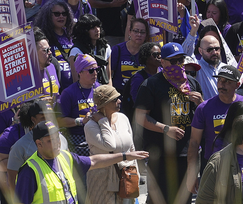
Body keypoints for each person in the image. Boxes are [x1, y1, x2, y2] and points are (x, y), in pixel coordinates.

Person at [14, 121, 149, 204]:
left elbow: (95, 161)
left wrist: (125, 156)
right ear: (39, 143)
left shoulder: (65, 157)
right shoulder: (29, 171)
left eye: (57, 138)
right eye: (50, 140)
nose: (57, 143)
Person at [134, 42, 203, 204]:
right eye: (174, 61)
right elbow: (139, 117)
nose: (178, 65)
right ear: (162, 62)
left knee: (184, 199)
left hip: (188, 155)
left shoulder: (192, 83)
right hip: (162, 156)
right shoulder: (151, 84)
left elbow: (201, 117)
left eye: (181, 60)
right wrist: (165, 129)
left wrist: (201, 103)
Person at [187, 65, 243, 192]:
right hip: (214, 166)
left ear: (237, 85)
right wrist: (191, 174)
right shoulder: (204, 108)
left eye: (227, 82)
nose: (222, 84)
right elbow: (194, 142)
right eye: (220, 80)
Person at [84, 84, 140, 204]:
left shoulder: (123, 118)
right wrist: (103, 121)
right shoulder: (91, 126)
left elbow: (131, 148)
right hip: (102, 180)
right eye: (115, 99)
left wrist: (136, 174)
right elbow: (110, 145)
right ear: (104, 104)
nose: (119, 101)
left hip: (125, 177)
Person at [58, 54, 100, 156]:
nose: (95, 73)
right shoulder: (68, 93)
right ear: (80, 72)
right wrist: (80, 121)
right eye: (91, 71)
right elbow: (59, 121)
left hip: (98, 135)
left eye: (96, 70)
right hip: (78, 139)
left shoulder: (100, 89)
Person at [193, 32, 235, 98]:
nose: (214, 52)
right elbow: (187, 53)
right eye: (209, 49)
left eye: (217, 49)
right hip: (205, 107)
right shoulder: (197, 66)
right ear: (200, 51)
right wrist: (193, 31)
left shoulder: (227, 68)